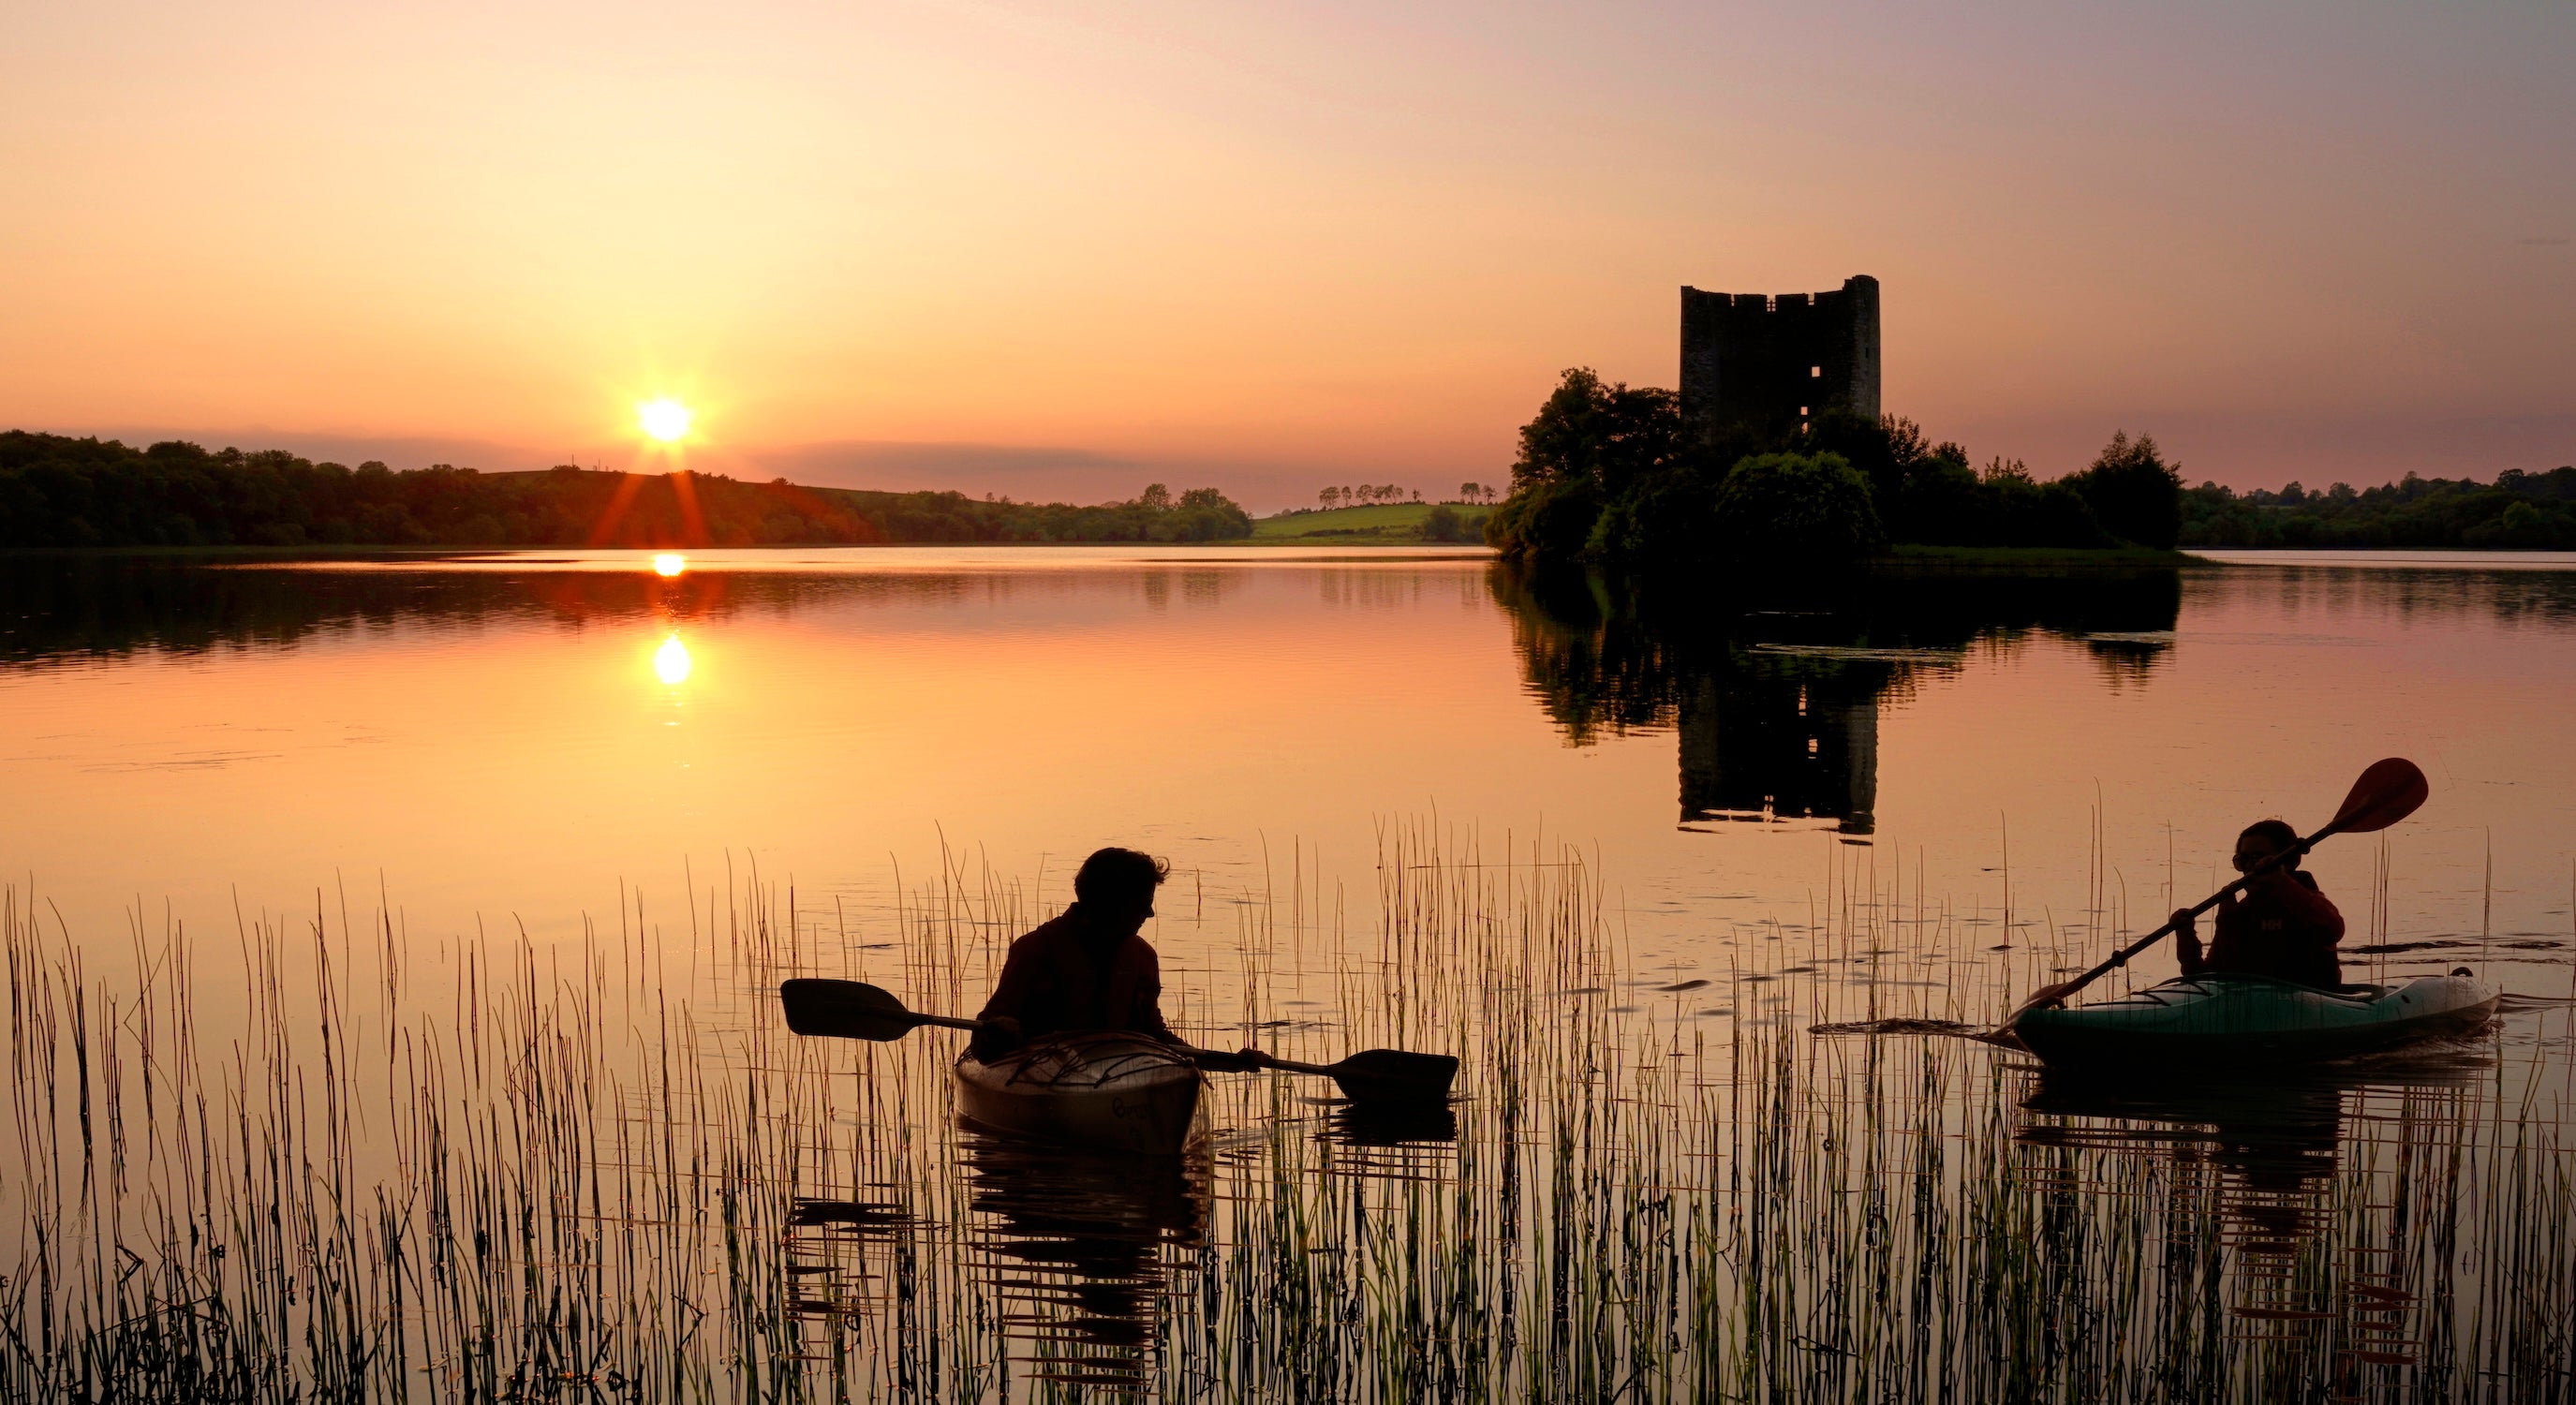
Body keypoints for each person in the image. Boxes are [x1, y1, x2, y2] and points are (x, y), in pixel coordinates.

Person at [971, 847, 1258, 1068]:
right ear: (1108, 903)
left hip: (1114, 1071)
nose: (1150, 914)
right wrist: (998, 1030)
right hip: (1044, 1067)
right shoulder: (1035, 950)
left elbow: (1155, 1037)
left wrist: (1229, 1062)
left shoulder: (1142, 956)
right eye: (1142, 904)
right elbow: (984, 1046)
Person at [2172, 819, 2347, 989]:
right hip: (2250, 1006)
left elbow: (2333, 929)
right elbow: (2202, 976)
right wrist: (2185, 935)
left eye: (2259, 858)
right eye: (2243, 859)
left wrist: (2280, 881)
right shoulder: (2238, 911)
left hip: (2309, 1006)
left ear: (2289, 862)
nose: (2250, 866)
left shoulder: (2309, 902)